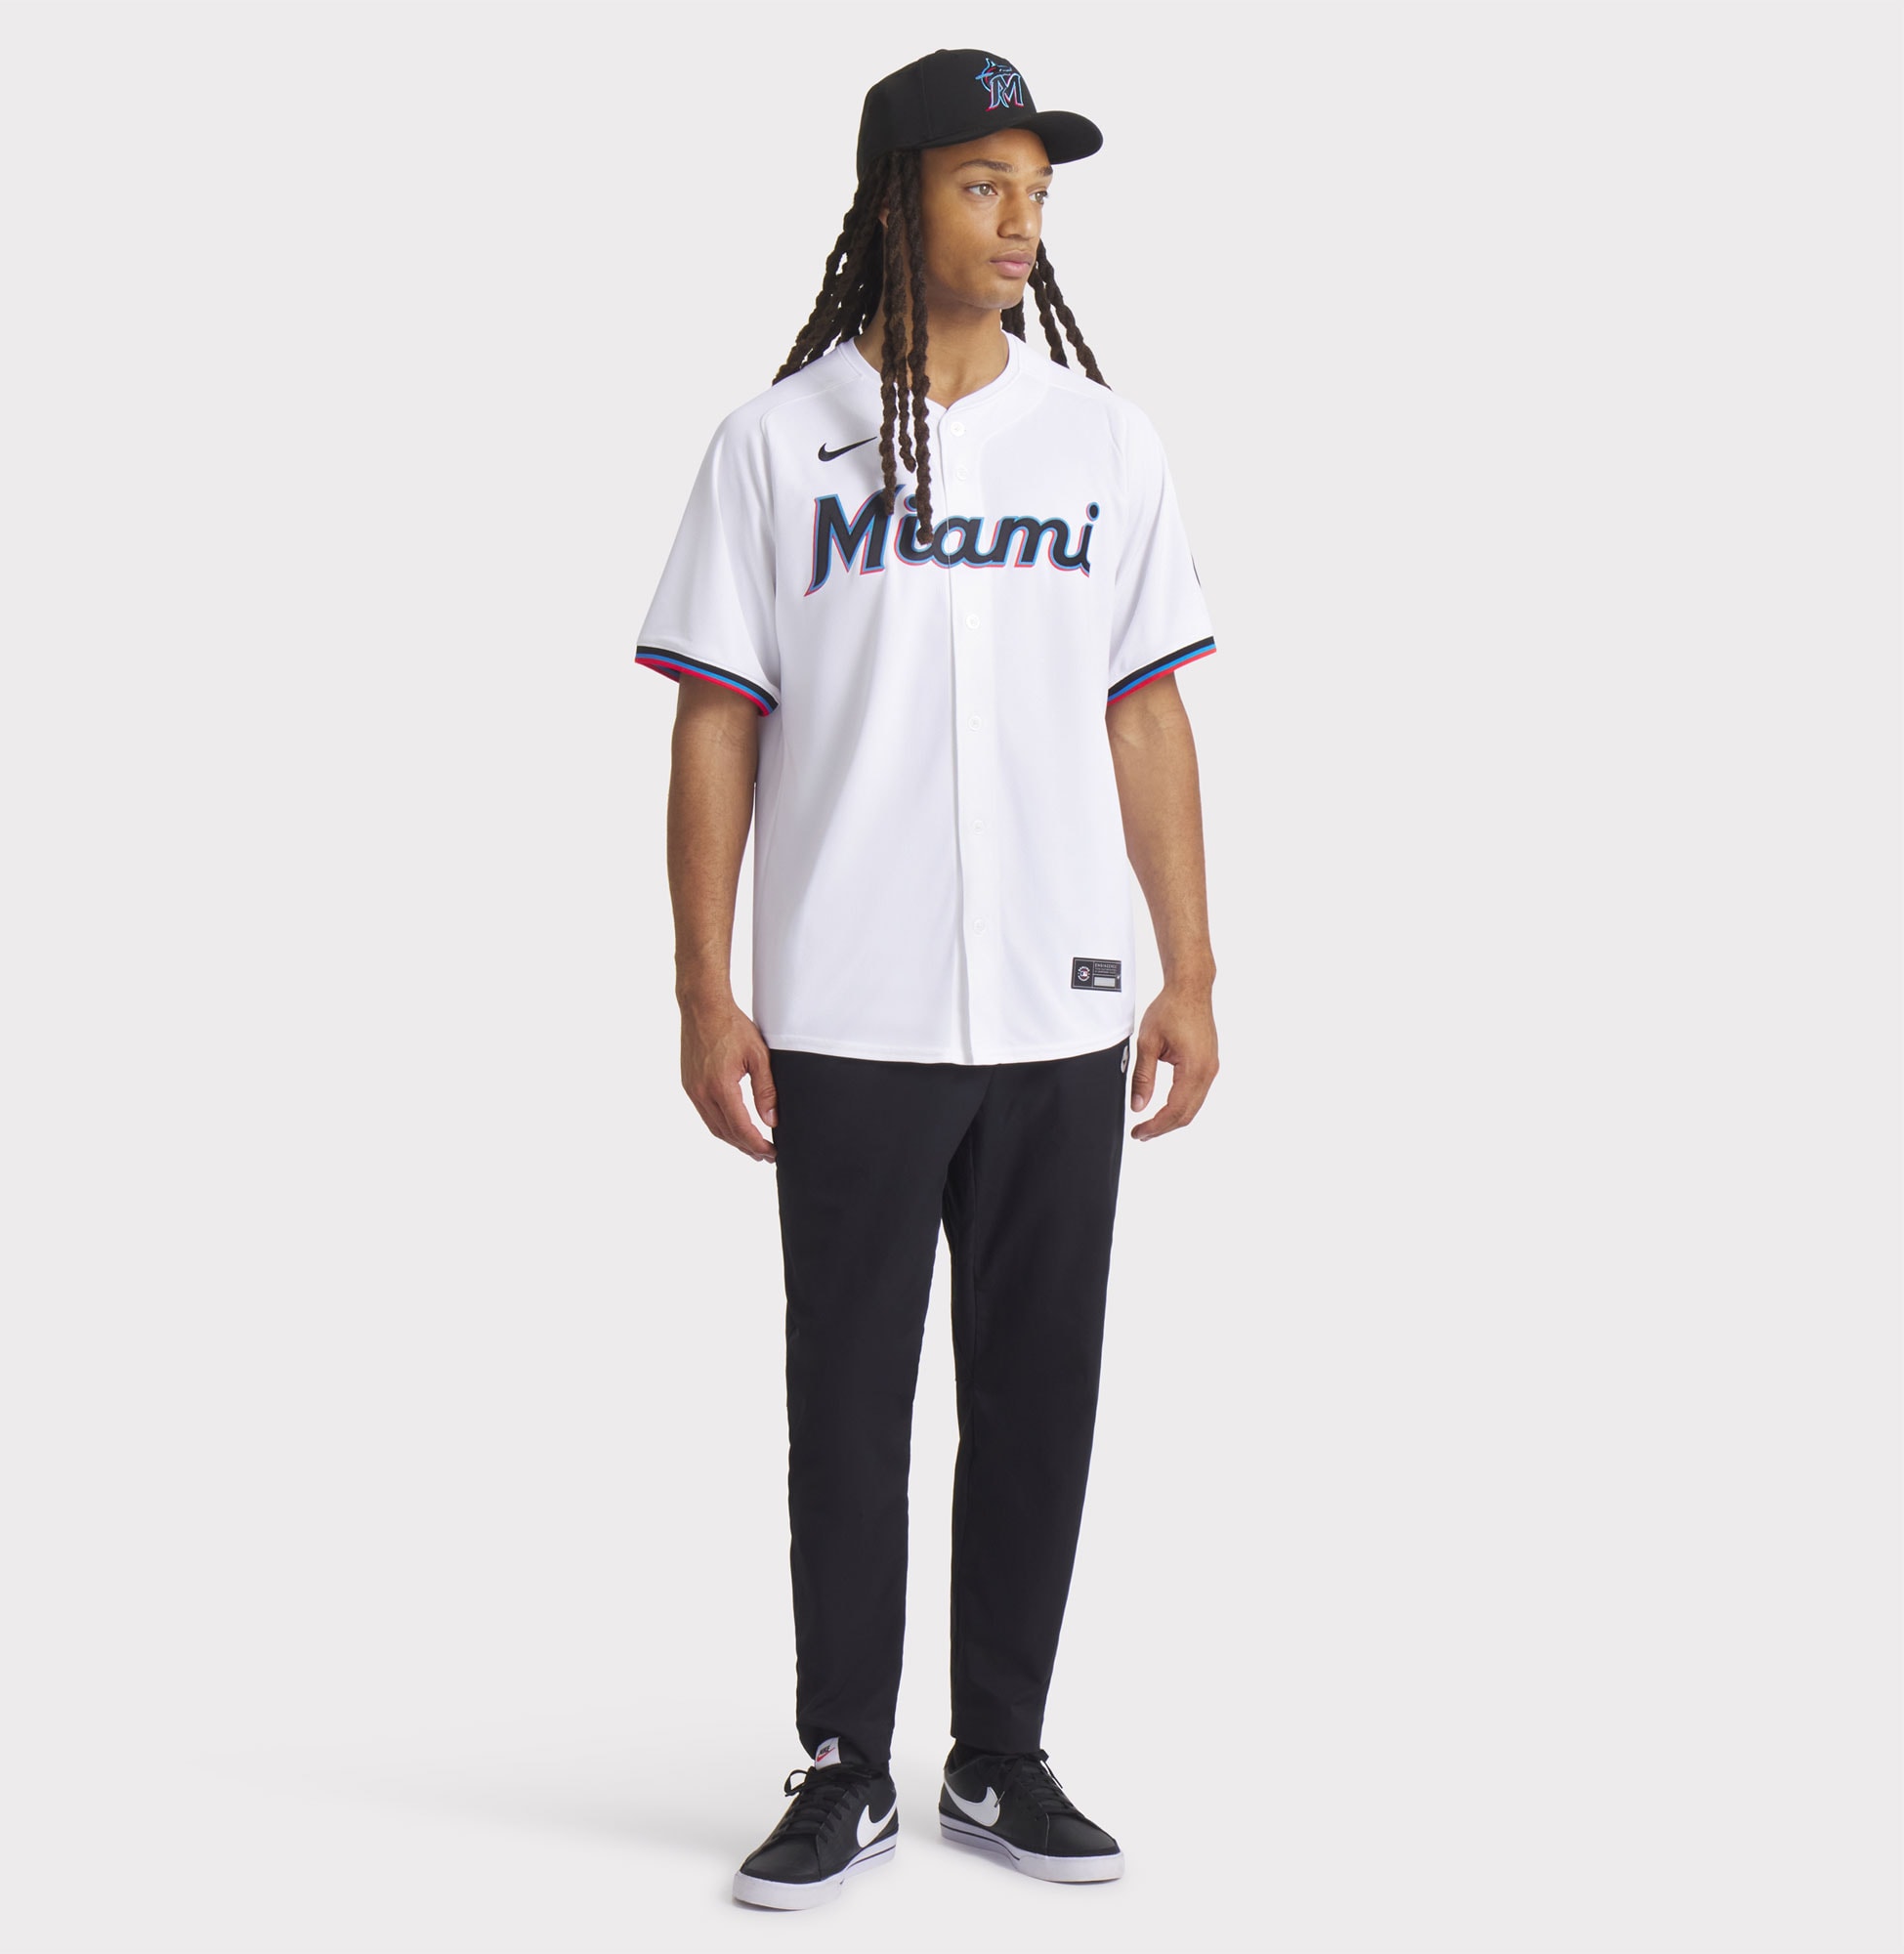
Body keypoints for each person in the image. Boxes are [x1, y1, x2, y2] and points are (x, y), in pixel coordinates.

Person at [632, 47, 1221, 1911]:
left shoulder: (1103, 445)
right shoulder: (772, 445)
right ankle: (845, 1764)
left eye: (1036, 189)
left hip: (1060, 1004)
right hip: (849, 1010)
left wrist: (1191, 971)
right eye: (982, 184)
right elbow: (717, 722)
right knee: (849, 1403)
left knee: (1040, 1392)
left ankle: (1000, 1755)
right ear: (895, 200)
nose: (1019, 218)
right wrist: (704, 988)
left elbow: (1147, 715)